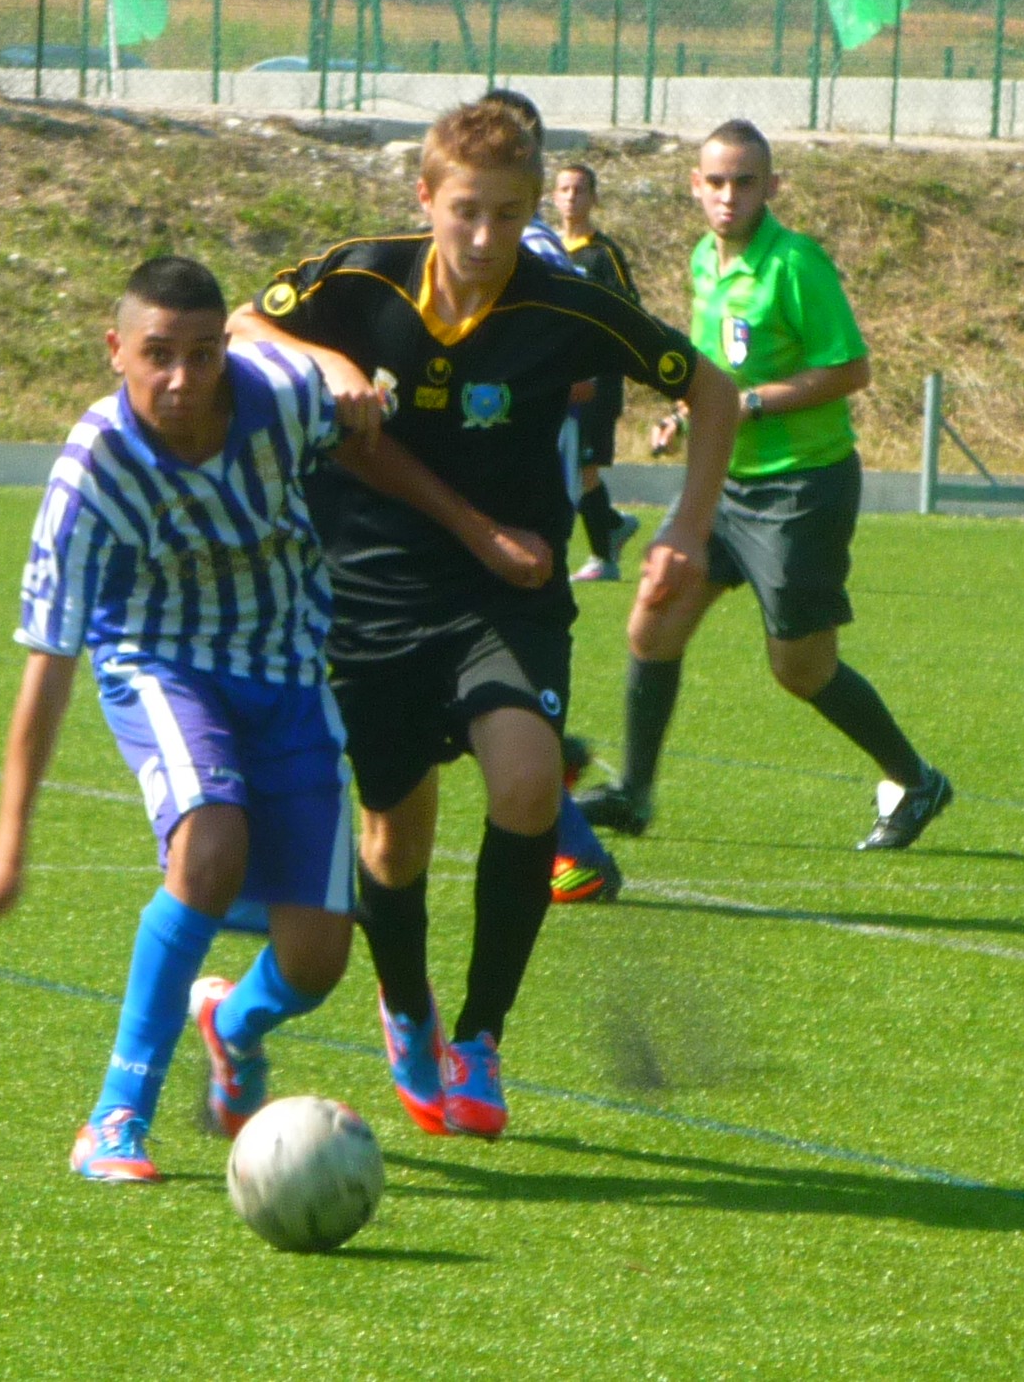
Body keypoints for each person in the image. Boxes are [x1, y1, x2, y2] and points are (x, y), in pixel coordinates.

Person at [0, 256, 547, 1183]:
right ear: (116, 350)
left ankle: (229, 1024)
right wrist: (6, 852)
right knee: (211, 845)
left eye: (202, 354)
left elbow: (362, 442)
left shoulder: (278, 398)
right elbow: (48, 670)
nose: (182, 378)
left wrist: (473, 528)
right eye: (158, 355)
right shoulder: (91, 472)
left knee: (316, 962)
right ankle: (115, 1116)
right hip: (160, 664)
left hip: (287, 672)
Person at [230, 101, 739, 1139]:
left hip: (508, 591)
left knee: (526, 779)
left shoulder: (567, 306)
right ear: (426, 198)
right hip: (369, 596)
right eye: (465, 211)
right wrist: (328, 364)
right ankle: (406, 1006)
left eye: (507, 215)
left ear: (531, 210)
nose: (483, 236)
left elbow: (713, 391)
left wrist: (685, 528)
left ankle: (480, 1038)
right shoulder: (360, 279)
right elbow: (243, 324)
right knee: (394, 840)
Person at [578, 120, 953, 852]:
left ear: (771, 186)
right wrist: (684, 415)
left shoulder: (795, 264)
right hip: (723, 481)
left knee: (800, 669)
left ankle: (916, 779)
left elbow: (849, 370)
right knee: (653, 617)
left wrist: (749, 404)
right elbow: (717, 370)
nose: (729, 196)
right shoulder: (703, 260)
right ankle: (633, 794)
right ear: (695, 186)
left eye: (745, 182)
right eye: (716, 182)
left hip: (799, 488)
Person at [476, 90, 622, 909]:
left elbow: (582, 371)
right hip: (488, 498)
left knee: (461, 679)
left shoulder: (533, 253)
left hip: (514, 499)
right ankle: (551, 759)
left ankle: (575, 848)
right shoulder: (482, 239)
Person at [552, 162, 644, 584]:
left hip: (595, 381)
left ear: (593, 197)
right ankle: (613, 525)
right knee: (568, 467)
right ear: (553, 196)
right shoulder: (547, 250)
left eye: (580, 189)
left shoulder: (603, 254)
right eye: (564, 189)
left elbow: (629, 311)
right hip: (559, 379)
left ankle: (604, 557)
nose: (571, 197)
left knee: (585, 469)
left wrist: (600, 363)